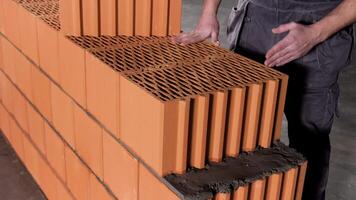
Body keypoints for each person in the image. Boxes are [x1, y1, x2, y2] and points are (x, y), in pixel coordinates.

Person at [172, 0, 356, 199]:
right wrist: (209, 12)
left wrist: (316, 32)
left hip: (318, 29)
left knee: (309, 143)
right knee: (239, 141)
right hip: (256, 22)